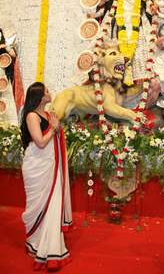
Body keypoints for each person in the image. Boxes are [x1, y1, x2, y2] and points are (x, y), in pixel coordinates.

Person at [20, 82, 72, 272]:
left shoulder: (49, 115)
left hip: (51, 166)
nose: (50, 93)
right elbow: (40, 142)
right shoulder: (32, 116)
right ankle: (35, 242)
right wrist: (54, 129)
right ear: (40, 97)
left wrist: (55, 126)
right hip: (37, 167)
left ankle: (49, 246)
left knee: (52, 204)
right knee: (37, 205)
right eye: (47, 91)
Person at [94, 0, 159, 88]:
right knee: (117, 54)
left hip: (138, 28)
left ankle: (139, 87)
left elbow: (150, 10)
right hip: (120, 27)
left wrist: (153, 7)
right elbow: (105, 3)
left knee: (140, 54)